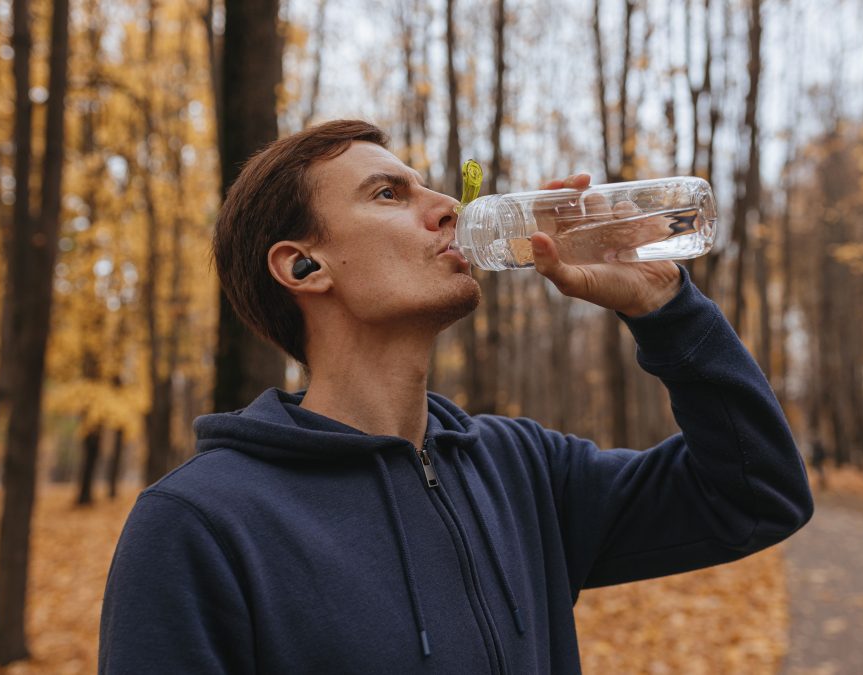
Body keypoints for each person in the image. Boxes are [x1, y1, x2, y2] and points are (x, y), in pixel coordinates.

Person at [98, 119, 814, 674]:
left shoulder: (524, 470)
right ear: (304, 264)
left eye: (430, 187)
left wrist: (667, 310)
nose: (447, 207)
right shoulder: (199, 525)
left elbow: (758, 494)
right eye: (389, 193)